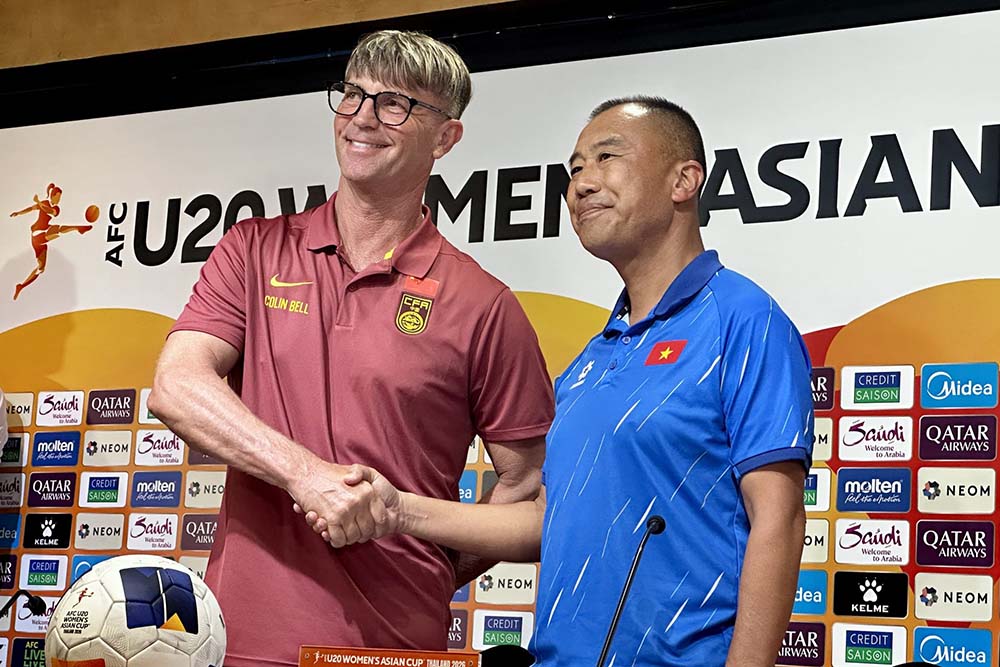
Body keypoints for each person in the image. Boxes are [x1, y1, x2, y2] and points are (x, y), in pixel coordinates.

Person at [309, 97, 814, 667]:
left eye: (606, 158)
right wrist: (398, 509)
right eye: (574, 168)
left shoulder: (745, 320)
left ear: (683, 180)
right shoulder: (590, 362)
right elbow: (542, 521)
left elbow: (778, 518)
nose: (581, 183)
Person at [148, 30, 553, 667]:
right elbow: (177, 386)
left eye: (394, 104)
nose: (362, 117)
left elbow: (527, 492)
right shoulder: (254, 249)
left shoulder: (484, 304)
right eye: (353, 95)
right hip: (242, 642)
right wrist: (304, 474)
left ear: (445, 138)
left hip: (394, 648)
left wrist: (424, 557)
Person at [9, 183, 93, 300]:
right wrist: (18, 213)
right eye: (57, 197)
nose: (59, 200)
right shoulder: (44, 203)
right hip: (37, 234)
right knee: (56, 229)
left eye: (60, 198)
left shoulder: (56, 209)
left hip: (40, 241)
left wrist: (39, 202)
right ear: (52, 196)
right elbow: (31, 209)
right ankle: (77, 228)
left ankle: (21, 286)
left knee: (41, 268)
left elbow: (50, 211)